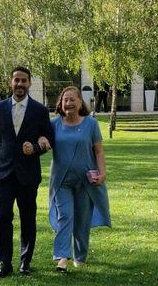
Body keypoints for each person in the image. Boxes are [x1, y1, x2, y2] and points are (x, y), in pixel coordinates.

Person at [0, 66, 53, 278]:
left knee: (28, 218)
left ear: (30, 83)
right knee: (3, 217)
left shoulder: (40, 110)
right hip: (4, 174)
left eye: (24, 81)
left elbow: (49, 140)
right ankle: (5, 263)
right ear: (10, 82)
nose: (20, 84)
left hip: (28, 174)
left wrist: (35, 147)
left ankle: (26, 261)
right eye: (17, 80)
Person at [49, 86, 111, 273]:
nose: (68, 103)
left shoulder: (91, 124)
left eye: (72, 99)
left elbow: (98, 151)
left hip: (86, 181)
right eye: (65, 100)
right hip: (61, 181)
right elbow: (42, 142)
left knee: (82, 220)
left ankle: (80, 256)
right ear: (60, 104)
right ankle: (62, 258)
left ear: (79, 102)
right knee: (65, 216)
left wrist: (102, 173)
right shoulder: (53, 125)